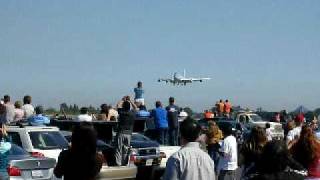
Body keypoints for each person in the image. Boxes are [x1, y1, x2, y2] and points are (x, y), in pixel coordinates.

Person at [114, 100, 136, 166]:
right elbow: (135, 107)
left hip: (121, 132)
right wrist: (130, 100)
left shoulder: (121, 113)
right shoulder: (132, 113)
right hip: (129, 133)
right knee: (126, 149)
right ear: (129, 107)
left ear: (123, 107)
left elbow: (118, 106)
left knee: (119, 148)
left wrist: (122, 100)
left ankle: (118, 163)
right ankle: (125, 163)